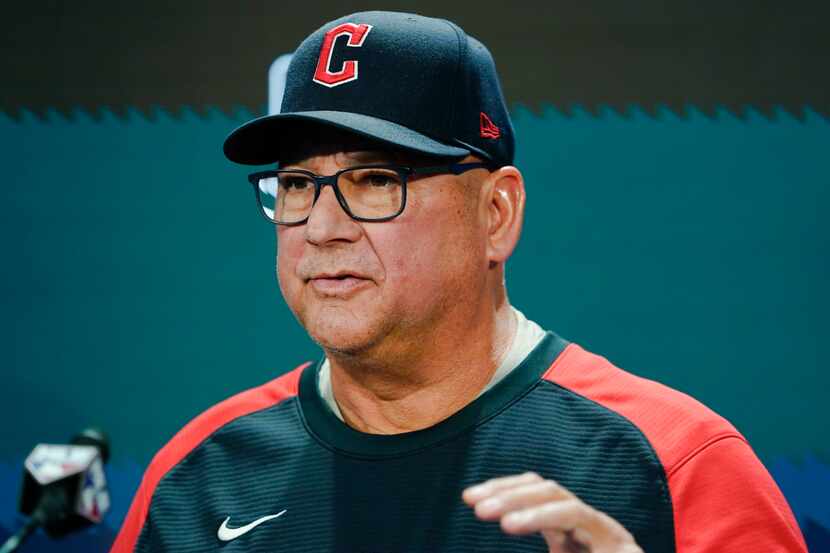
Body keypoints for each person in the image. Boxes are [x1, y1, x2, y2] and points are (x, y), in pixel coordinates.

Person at [111, 11, 807, 553]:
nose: (321, 227)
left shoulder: (675, 464)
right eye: (297, 185)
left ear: (495, 213)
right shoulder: (197, 475)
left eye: (376, 179)